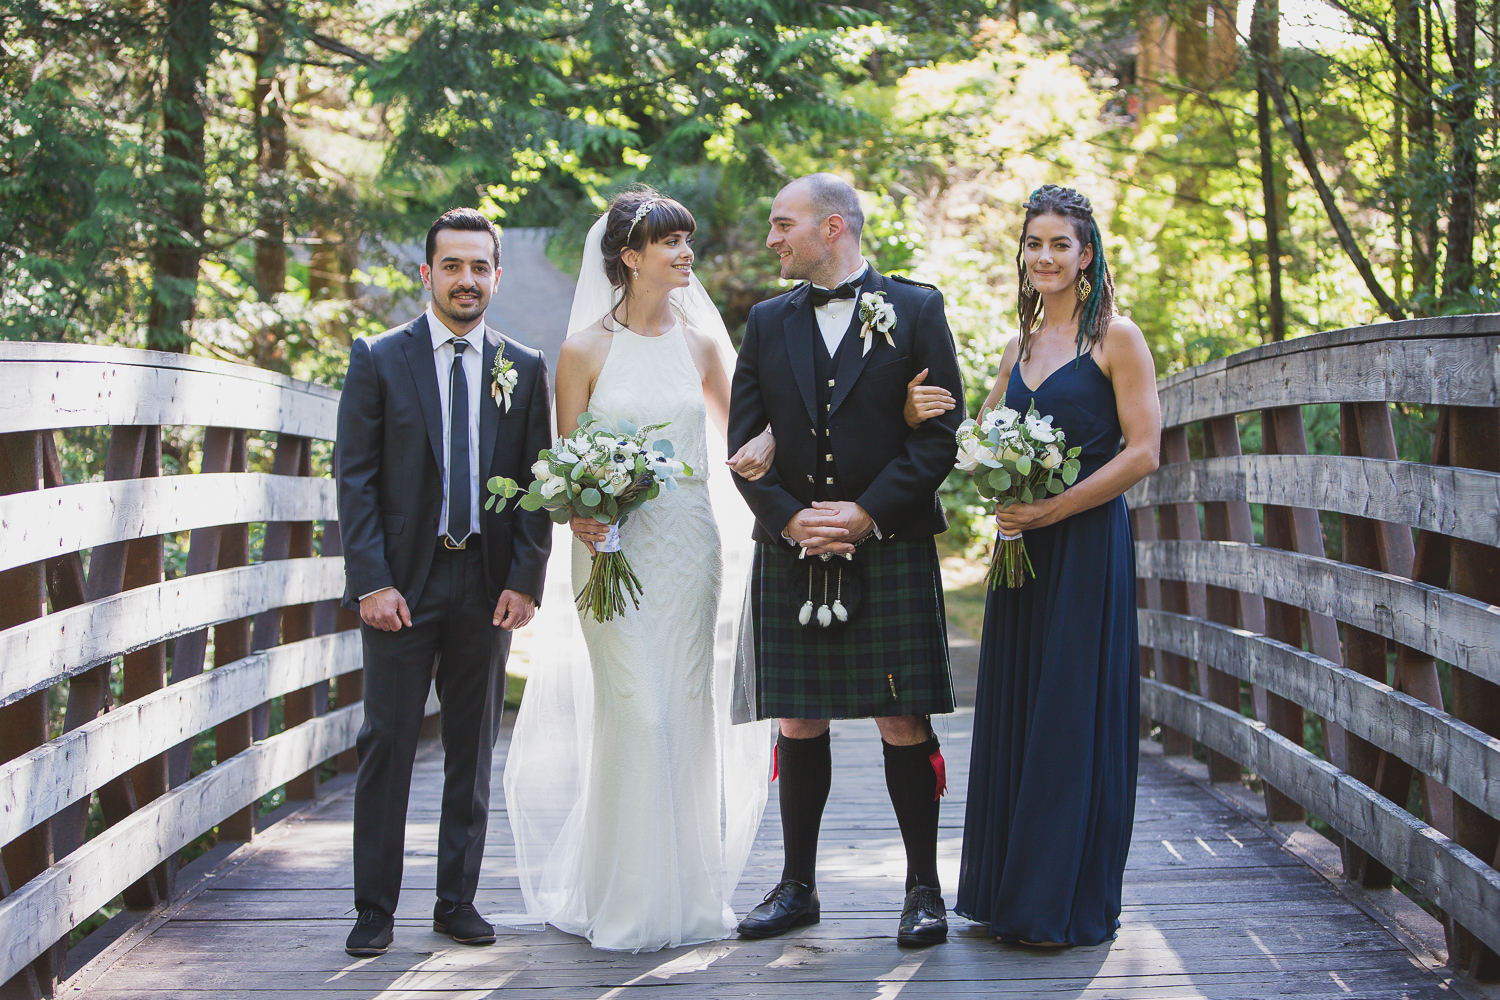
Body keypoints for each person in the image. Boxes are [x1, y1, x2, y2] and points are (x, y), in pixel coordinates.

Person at [503, 189, 776, 952]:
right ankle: (625, 900)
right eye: (671, 244)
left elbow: (750, 434)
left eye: (687, 241)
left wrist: (773, 448)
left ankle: (685, 900)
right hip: (610, 553)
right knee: (637, 712)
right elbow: (565, 464)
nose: (686, 254)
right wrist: (577, 510)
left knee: (682, 714)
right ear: (629, 257)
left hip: (689, 546)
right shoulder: (583, 351)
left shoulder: (702, 346)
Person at [728, 172, 965, 948]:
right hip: (794, 547)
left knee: (902, 713)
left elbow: (938, 436)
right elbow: (745, 446)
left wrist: (865, 514)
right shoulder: (765, 322)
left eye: (781, 223)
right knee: (798, 716)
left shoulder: (917, 309)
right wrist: (795, 520)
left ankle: (923, 892)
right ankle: (797, 887)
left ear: (832, 228)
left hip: (887, 542)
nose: (772, 239)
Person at [334, 208, 553, 957]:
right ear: (426, 274)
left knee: (471, 745)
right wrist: (370, 581)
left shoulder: (522, 368)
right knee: (387, 741)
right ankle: (374, 908)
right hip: (402, 583)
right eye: (452, 266)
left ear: (497, 274)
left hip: (486, 581)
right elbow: (355, 479)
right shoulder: (379, 357)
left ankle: (456, 899)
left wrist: (526, 578)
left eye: (480, 266)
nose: (467, 279)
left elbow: (535, 481)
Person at [954, 184, 1159, 947]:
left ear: (1087, 255)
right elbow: (982, 437)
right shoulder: (1018, 346)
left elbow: (1144, 452)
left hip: (1083, 548)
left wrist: (1053, 508)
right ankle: (1008, 895)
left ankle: (1057, 905)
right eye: (1033, 243)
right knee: (1019, 706)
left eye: (1059, 245)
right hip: (1020, 553)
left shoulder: (1116, 340)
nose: (1044, 257)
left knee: (1071, 712)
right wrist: (984, 461)